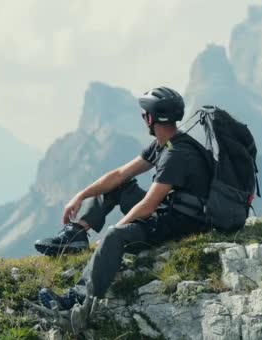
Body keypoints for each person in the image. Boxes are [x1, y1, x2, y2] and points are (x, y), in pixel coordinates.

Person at [36, 86, 212, 310]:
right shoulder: (165, 144)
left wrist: (112, 233)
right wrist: (81, 195)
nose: (143, 118)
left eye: (143, 114)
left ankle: (78, 299)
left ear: (150, 117)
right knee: (118, 186)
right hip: (173, 212)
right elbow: (120, 175)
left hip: (182, 224)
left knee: (116, 236)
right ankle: (76, 234)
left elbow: (149, 206)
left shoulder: (175, 154)